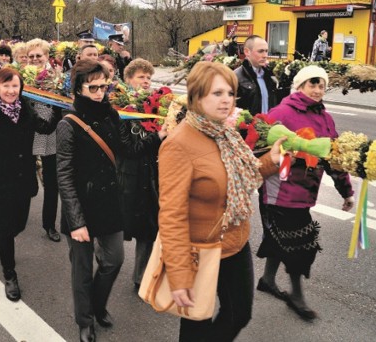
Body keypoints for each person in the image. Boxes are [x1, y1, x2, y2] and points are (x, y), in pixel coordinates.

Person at [158, 61, 284, 341]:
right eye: (217, 93)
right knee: (196, 323)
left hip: (234, 242)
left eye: (230, 92)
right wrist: (179, 275)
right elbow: (172, 214)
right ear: (196, 96)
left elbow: (243, 175)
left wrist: (271, 162)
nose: (227, 99)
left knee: (240, 314)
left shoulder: (225, 132)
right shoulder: (178, 145)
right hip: (199, 250)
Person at [57, 59, 162, 342]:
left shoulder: (111, 115)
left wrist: (159, 136)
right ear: (78, 88)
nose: (100, 92)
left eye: (104, 86)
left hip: (108, 203)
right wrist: (76, 222)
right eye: (93, 87)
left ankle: (97, 305)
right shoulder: (68, 124)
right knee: (82, 271)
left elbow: (127, 149)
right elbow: (64, 176)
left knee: (114, 260)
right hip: (79, 206)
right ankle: (85, 321)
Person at [256, 65, 354, 321]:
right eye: (313, 84)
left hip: (306, 191)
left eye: (322, 85)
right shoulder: (282, 113)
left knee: (279, 237)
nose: (318, 89)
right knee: (301, 244)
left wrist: (346, 191)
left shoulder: (325, 118)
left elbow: (335, 157)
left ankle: (267, 280)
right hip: (281, 190)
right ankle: (297, 295)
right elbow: (259, 146)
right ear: (299, 86)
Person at [0, 68, 58, 302]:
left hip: (23, 177)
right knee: (6, 229)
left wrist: (58, 105)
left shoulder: (25, 107)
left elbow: (44, 127)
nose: (10, 91)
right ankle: (10, 274)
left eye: (15, 86)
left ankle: (2, 241)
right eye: (6, 86)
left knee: (20, 224)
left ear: (21, 88)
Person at [120, 58, 166, 289]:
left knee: (149, 230)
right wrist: (157, 137)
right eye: (141, 77)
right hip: (128, 177)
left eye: (148, 77)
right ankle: (105, 260)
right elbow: (128, 149)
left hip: (152, 176)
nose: (146, 81)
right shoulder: (121, 107)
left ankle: (141, 278)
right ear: (128, 80)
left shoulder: (157, 105)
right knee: (120, 225)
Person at [26, 38, 62, 242]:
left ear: (46, 56)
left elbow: (62, 104)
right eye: (31, 56)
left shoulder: (56, 76)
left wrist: (52, 124)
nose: (35, 59)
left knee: (51, 183)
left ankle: (49, 224)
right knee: (23, 181)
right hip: (29, 134)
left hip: (51, 134)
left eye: (38, 55)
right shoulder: (22, 76)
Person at [234, 35, 280, 115]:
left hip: (268, 125)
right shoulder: (235, 77)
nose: (265, 55)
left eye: (266, 51)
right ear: (247, 52)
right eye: (260, 51)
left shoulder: (270, 77)